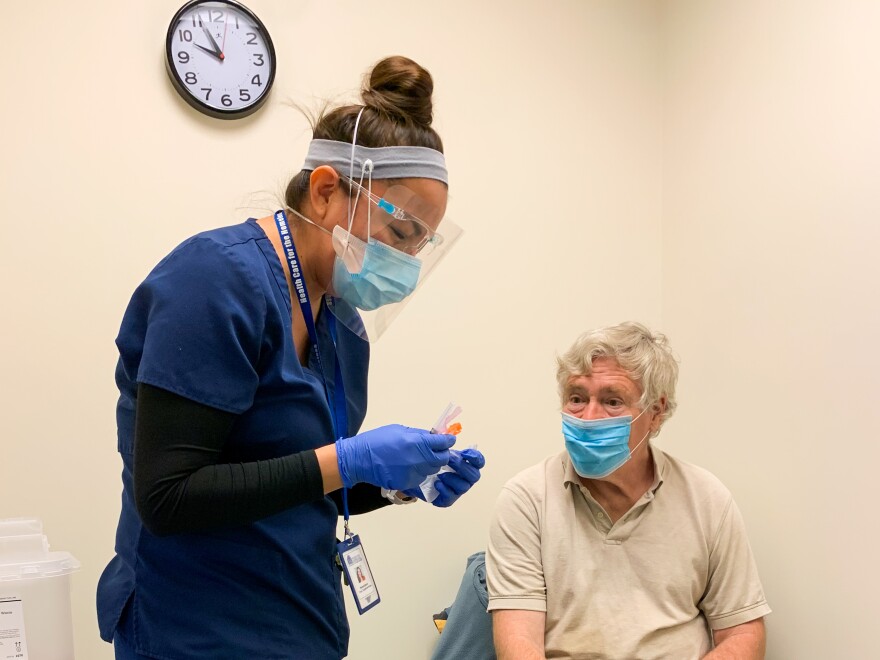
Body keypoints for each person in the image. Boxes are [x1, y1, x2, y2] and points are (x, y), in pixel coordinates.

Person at [96, 55, 485, 660]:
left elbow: (301, 484)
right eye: (402, 232)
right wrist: (352, 457)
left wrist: (399, 481)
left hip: (300, 624)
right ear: (328, 190)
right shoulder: (214, 282)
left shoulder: (341, 324)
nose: (408, 261)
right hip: (196, 628)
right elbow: (169, 496)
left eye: (423, 244)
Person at [487, 322, 769, 659]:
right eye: (576, 398)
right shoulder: (527, 499)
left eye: (612, 402)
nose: (589, 417)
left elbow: (743, 631)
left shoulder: (706, 498)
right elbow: (520, 644)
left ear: (656, 412)